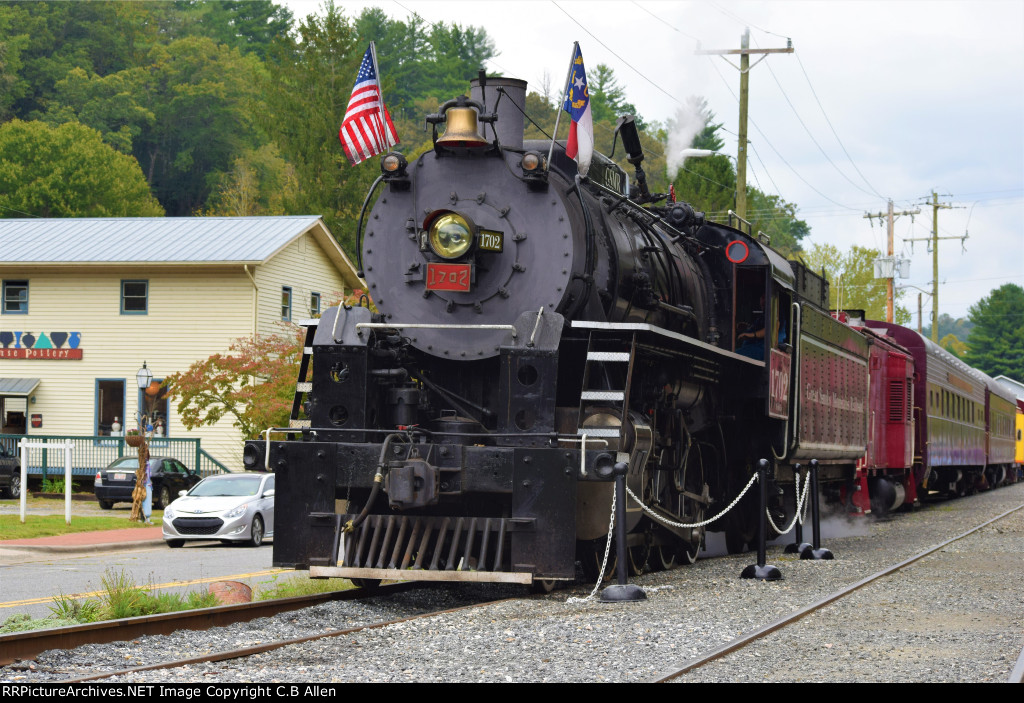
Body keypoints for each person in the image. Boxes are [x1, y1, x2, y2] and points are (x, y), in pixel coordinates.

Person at [142, 458, 154, 525]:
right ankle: (146, 518)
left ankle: (146, 518)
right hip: (146, 485)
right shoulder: (147, 464)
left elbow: (147, 475)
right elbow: (147, 475)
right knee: (146, 502)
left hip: (147, 485)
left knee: (146, 502)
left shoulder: (147, 464)